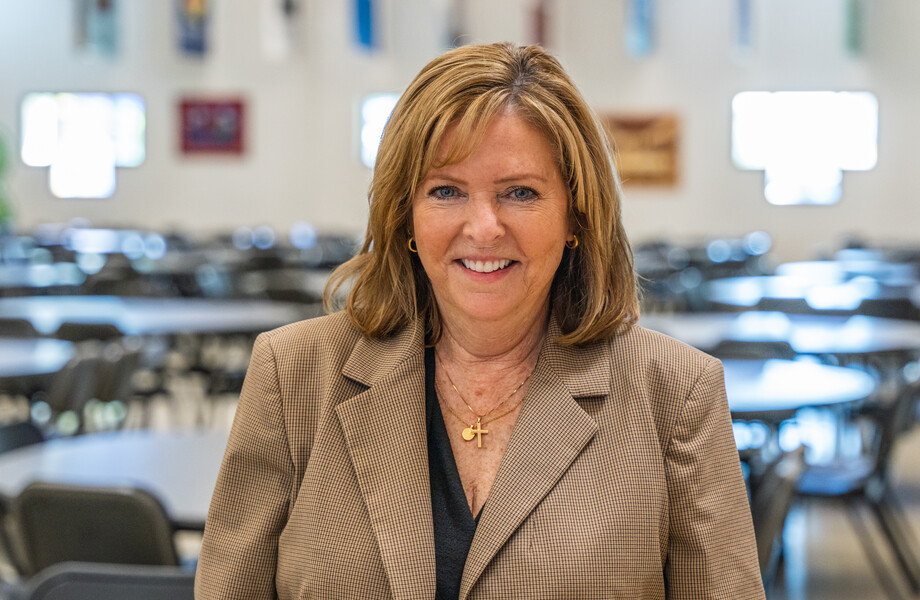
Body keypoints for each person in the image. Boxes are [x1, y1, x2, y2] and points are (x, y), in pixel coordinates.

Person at [195, 42, 764, 600]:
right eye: (446, 191)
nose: (484, 227)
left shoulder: (677, 392)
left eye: (520, 192)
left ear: (575, 217)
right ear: (406, 215)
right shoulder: (294, 373)